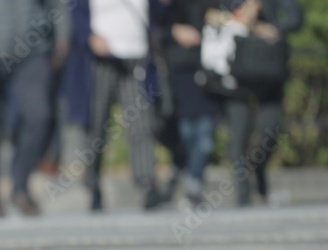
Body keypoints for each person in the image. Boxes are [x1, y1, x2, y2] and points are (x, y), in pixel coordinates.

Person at [0, 0, 70, 218]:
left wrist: (62, 37)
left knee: (40, 116)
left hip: (34, 49)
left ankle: (20, 185)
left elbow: (58, 4)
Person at [69, 0, 168, 211]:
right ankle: (93, 183)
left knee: (141, 124)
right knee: (97, 126)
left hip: (137, 57)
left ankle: (146, 183)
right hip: (102, 59)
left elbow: (159, 11)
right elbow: (76, 12)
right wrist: (89, 36)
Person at [219, 0, 303, 206]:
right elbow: (212, 14)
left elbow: (296, 17)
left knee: (270, 131)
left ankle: (260, 171)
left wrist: (275, 28)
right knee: (239, 135)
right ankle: (243, 193)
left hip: (269, 74)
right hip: (238, 77)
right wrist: (249, 22)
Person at [166, 0, 222, 205]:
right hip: (182, 70)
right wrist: (174, 30)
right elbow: (156, 20)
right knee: (186, 134)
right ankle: (182, 172)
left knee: (205, 137)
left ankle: (194, 183)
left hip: (209, 68)